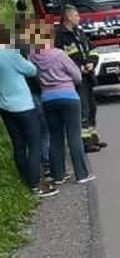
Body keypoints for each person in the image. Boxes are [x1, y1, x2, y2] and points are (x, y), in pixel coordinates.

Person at [30, 20, 94, 184]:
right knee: (74, 135)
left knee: (55, 137)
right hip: (68, 96)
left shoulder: (32, 57)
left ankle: (58, 176)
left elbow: (33, 77)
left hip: (47, 99)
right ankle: (81, 174)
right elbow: (77, 76)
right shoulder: (59, 54)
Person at [0, 23, 56, 197]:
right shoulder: (9, 54)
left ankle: (26, 179)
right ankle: (35, 183)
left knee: (18, 144)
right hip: (23, 105)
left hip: (4, 105)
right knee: (34, 142)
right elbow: (31, 70)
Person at [53, 5, 105, 153]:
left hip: (87, 76)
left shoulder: (79, 32)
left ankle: (94, 138)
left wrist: (91, 62)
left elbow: (93, 49)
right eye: (76, 16)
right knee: (82, 109)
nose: (79, 18)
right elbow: (59, 58)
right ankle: (85, 143)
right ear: (68, 17)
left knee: (91, 108)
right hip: (73, 79)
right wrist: (77, 67)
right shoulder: (59, 36)